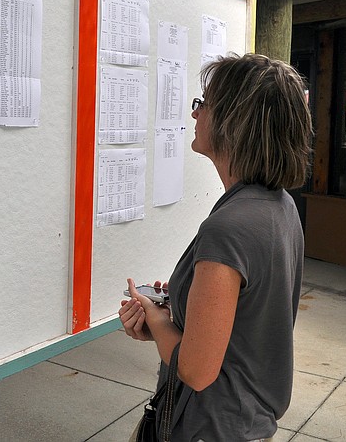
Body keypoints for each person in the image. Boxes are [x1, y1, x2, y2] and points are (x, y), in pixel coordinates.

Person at [119, 53, 312, 441]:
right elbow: (249, 319)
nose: (195, 115)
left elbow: (197, 371)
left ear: (233, 122)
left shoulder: (228, 227)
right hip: (246, 421)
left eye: (202, 103)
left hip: (210, 426)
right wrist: (179, 306)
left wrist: (156, 321)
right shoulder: (279, 206)